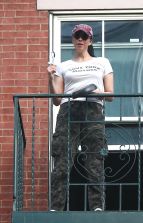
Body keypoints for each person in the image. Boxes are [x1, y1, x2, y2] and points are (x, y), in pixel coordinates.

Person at [47, 24, 114, 211]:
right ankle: (56, 207)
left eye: (84, 36)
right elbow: (57, 100)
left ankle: (97, 207)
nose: (80, 39)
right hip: (69, 110)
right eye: (77, 36)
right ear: (73, 39)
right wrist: (51, 78)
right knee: (62, 160)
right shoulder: (63, 66)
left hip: (93, 108)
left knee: (94, 160)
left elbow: (110, 94)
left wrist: (94, 91)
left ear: (90, 40)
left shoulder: (102, 62)